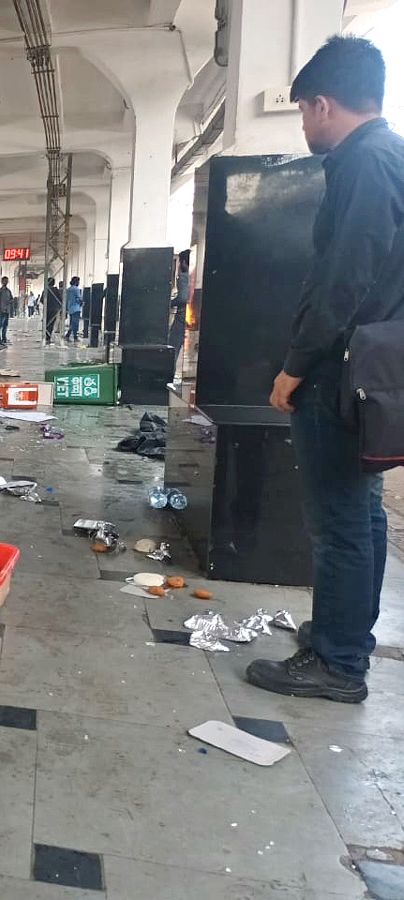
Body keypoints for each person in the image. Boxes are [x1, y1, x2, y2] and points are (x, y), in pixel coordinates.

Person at [250, 36, 404, 703]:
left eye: (304, 114)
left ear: (321, 103)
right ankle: (344, 638)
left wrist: (294, 367)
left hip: (341, 370)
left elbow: (341, 281)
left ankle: (338, 663)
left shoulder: (365, 164)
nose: (306, 128)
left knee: (339, 520)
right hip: (373, 368)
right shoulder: (392, 159)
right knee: (363, 514)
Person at [169, 250, 190, 368]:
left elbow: (182, 298)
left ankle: (168, 376)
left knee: (173, 348)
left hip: (182, 318)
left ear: (183, 262)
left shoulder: (183, 276)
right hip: (192, 319)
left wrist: (169, 304)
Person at [0, 276, 13, 346]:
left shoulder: (8, 291)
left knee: (5, 325)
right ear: (2, 282)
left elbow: (12, 299)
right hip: (2, 311)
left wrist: (9, 302)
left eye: (7, 281)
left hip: (7, 311)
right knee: (0, 325)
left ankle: (4, 338)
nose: (6, 282)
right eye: (4, 281)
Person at [42, 278, 62, 344]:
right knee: (51, 323)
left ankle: (45, 336)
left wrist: (47, 303)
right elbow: (60, 300)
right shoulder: (56, 290)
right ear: (53, 283)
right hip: (54, 309)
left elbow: (42, 300)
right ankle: (48, 337)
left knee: (46, 322)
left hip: (46, 309)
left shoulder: (45, 290)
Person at [64, 276, 83, 342]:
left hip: (70, 308)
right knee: (75, 323)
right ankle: (68, 335)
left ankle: (74, 337)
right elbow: (79, 298)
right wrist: (82, 303)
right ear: (76, 282)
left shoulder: (68, 289)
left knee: (72, 322)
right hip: (76, 308)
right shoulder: (76, 289)